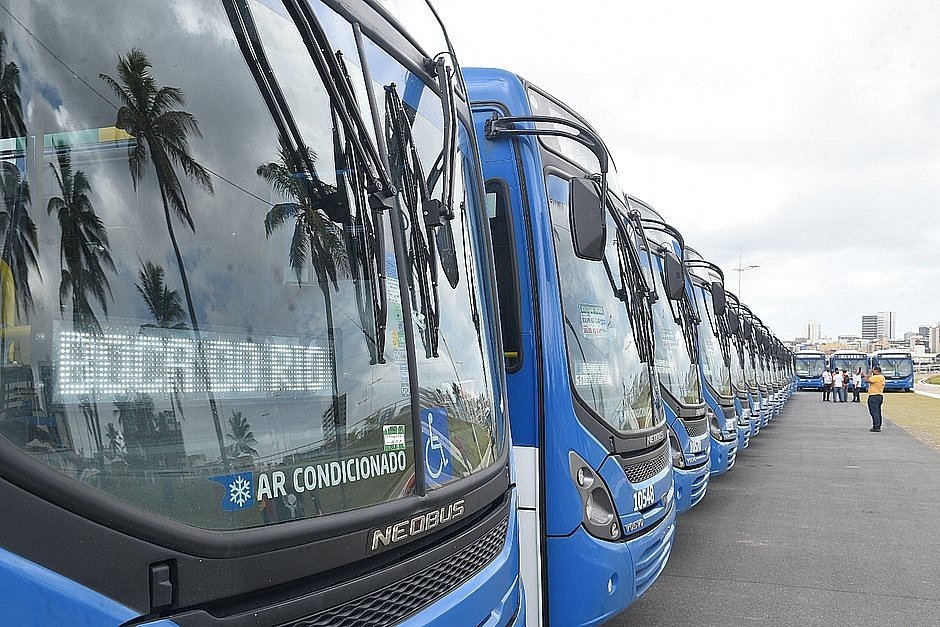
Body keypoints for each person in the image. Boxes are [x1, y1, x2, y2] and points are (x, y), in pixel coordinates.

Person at [866, 366, 886, 432]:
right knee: (878, 412)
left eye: (874, 370)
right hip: (880, 395)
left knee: (874, 412)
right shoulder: (882, 377)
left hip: (873, 396)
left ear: (876, 371)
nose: (873, 371)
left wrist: (869, 373)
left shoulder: (876, 377)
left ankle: (876, 426)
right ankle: (878, 425)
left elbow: (866, 380)